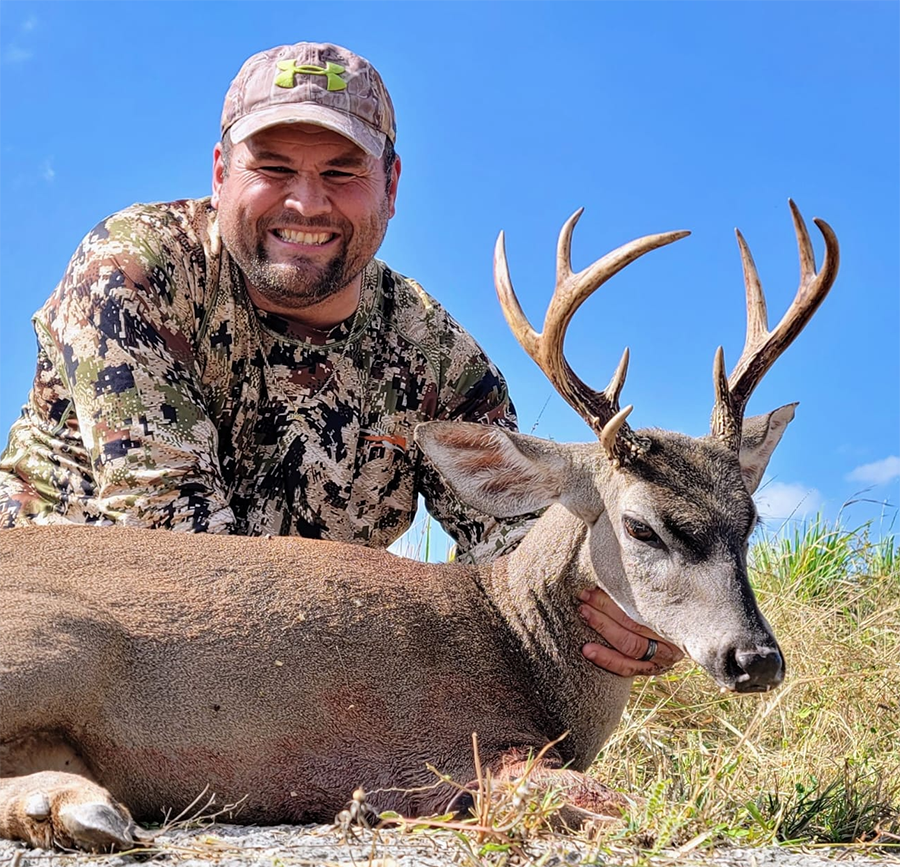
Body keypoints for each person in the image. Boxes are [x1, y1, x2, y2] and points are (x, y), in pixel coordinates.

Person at [0, 41, 680, 677]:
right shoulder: (134, 275)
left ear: (391, 183)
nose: (306, 201)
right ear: (219, 171)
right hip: (60, 639)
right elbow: (190, 566)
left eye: (342, 171)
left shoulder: (434, 359)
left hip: (288, 675)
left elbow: (527, 552)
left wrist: (629, 601)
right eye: (272, 167)